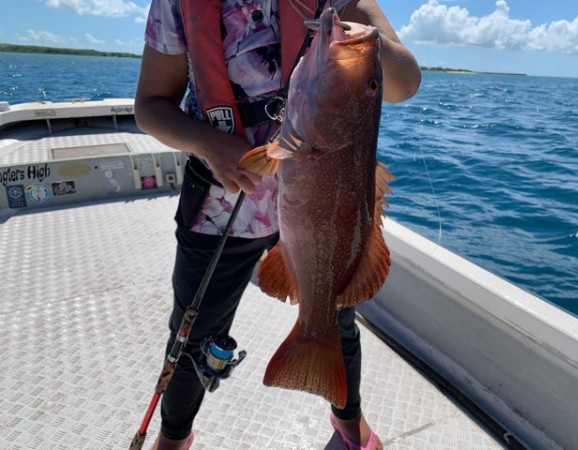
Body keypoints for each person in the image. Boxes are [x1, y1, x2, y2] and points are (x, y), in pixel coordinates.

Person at [135, 0, 421, 449]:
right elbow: (150, 106)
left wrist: (361, 40)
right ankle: (174, 436)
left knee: (336, 316)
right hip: (220, 203)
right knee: (193, 330)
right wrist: (210, 144)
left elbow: (406, 81)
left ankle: (348, 417)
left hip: (323, 214)